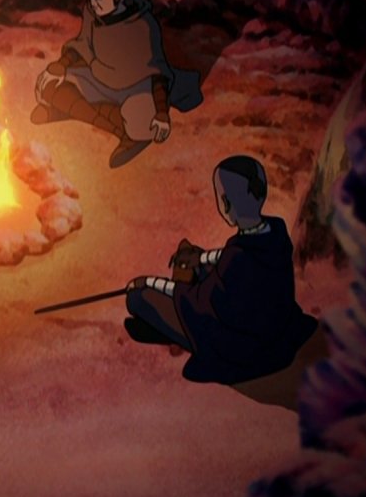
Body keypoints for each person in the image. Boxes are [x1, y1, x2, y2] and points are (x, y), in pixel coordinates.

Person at [124, 156, 318, 383]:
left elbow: (199, 299)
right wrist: (200, 258)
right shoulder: (276, 232)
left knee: (138, 299)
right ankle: (165, 325)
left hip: (242, 347)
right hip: (273, 331)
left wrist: (149, 282)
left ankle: (166, 328)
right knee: (198, 267)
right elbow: (236, 254)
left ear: (225, 204)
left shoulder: (236, 261)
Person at [31, 0, 202, 168]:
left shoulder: (142, 25)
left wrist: (161, 112)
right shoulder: (92, 13)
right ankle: (110, 123)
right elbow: (82, 46)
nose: (94, 0)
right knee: (47, 87)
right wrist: (60, 66)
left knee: (143, 125)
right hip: (98, 80)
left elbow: (157, 74)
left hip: (135, 90)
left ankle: (113, 127)